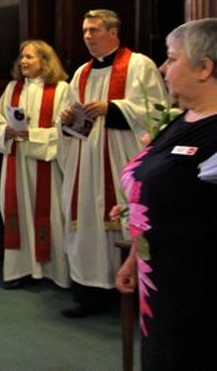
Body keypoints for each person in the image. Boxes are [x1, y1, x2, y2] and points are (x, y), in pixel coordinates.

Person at [114, 18, 217, 370]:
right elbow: (158, 191)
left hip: (198, 290)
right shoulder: (180, 120)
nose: (162, 67)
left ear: (204, 68)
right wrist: (134, 257)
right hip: (159, 281)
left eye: (172, 59)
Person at [58, 9, 168, 318]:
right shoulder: (80, 73)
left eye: (94, 30)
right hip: (85, 163)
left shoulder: (139, 65)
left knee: (121, 223)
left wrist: (112, 108)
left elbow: (157, 112)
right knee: (86, 228)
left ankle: (128, 299)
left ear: (114, 33)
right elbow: (68, 124)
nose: (88, 37)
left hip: (121, 159)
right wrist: (65, 118)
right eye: (84, 31)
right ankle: (89, 296)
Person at [0, 40, 70, 290]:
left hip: (44, 162)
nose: (23, 61)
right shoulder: (13, 87)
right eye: (22, 57)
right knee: (17, 212)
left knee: (50, 214)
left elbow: (65, 129)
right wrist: (6, 132)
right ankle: (20, 269)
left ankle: (53, 272)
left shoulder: (61, 90)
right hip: (16, 160)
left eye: (30, 57)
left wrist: (32, 135)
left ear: (45, 62)